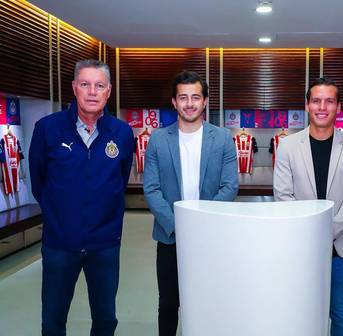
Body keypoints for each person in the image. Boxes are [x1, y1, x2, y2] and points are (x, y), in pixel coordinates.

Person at [29, 59, 135, 335]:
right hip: (60, 244)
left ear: (108, 91)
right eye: (85, 84)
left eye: (99, 85)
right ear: (74, 88)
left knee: (105, 319)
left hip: (105, 244)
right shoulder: (47, 129)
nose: (92, 92)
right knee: (53, 319)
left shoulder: (122, 133)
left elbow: (119, 181)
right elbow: (38, 181)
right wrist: (59, 215)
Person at [143, 70, 239, 336]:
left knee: (209, 301)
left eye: (195, 97)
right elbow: (151, 189)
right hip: (169, 236)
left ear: (205, 101)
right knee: (169, 303)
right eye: (183, 97)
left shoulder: (221, 138)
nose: (189, 103)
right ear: (174, 102)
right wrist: (179, 227)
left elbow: (229, 186)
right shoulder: (158, 139)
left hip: (211, 237)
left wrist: (200, 225)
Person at [273, 77, 343, 336]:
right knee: (301, 309)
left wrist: (325, 232)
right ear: (307, 106)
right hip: (300, 248)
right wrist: (311, 232)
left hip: (341, 250)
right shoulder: (288, 146)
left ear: (338, 107)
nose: (322, 107)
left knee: (340, 311)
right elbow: (283, 195)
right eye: (316, 101)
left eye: (329, 101)